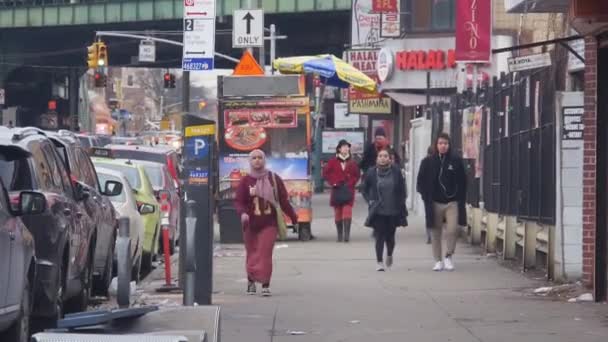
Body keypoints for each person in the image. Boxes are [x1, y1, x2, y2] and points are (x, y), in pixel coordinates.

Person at [235, 149, 298, 296]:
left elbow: (283, 201)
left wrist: (293, 218)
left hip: (269, 223)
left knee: (265, 253)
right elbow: (239, 201)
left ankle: (265, 283)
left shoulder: (274, 179)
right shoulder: (245, 181)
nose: (257, 160)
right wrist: (243, 213)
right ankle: (251, 281)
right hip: (250, 224)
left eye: (260, 158)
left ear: (264, 160)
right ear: (250, 161)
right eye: (254, 158)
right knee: (252, 253)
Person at [416, 133, 467, 272]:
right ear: (436, 145)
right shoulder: (427, 162)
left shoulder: (455, 161)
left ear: (449, 145)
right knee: (435, 232)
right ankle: (438, 260)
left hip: (452, 202)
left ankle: (448, 256)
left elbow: (463, 181)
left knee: (452, 229)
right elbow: (420, 182)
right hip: (434, 202)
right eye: (440, 143)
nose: (443, 146)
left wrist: (459, 196)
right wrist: (426, 197)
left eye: (445, 143)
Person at [362, 148, 408, 271]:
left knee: (390, 237)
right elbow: (364, 189)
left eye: (385, 156)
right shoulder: (371, 172)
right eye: (380, 156)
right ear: (377, 158)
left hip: (393, 210)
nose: (383, 158)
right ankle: (379, 262)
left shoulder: (396, 171)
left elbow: (402, 189)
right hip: (378, 211)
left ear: (389, 158)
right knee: (379, 236)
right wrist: (370, 201)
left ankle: (389, 254)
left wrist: (401, 202)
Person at [323, 139, 360, 242]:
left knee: (347, 210)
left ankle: (346, 235)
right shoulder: (332, 162)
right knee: (338, 212)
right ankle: (340, 234)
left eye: (347, 147)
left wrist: (351, 183)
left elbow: (357, 175)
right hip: (337, 189)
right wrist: (333, 182)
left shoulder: (352, 162)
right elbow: (325, 174)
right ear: (339, 149)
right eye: (344, 146)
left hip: (348, 190)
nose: (346, 148)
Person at [417, 146, 435, 245]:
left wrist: (421, 191)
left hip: (427, 193)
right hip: (437, 193)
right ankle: (435, 234)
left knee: (428, 214)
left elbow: (420, 176)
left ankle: (429, 235)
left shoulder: (424, 162)